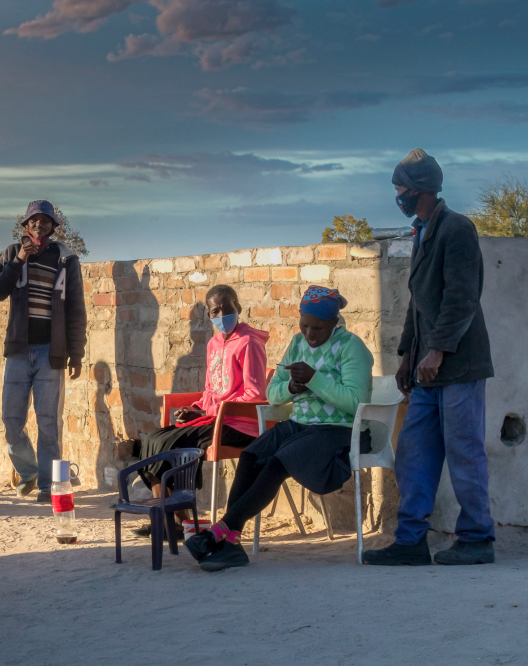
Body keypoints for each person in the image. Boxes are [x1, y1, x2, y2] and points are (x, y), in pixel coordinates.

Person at [363, 149, 497, 567]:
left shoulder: (457, 228)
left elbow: (462, 298)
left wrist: (436, 350)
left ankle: (477, 538)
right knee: (414, 453)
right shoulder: (422, 231)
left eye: (400, 189)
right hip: (425, 369)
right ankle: (410, 541)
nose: (397, 196)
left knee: (464, 452)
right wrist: (407, 354)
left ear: (419, 190)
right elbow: (416, 305)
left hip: (457, 364)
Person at [185, 286, 370, 573]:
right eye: (304, 325)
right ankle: (231, 543)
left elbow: (357, 401)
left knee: (277, 463)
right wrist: (291, 387)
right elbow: (272, 394)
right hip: (301, 425)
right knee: (251, 455)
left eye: (318, 328)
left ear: (335, 324)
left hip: (338, 430)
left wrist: (314, 380)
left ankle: (220, 532)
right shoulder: (297, 343)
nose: (309, 334)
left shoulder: (350, 347)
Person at [122, 285, 267, 536]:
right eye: (215, 311)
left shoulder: (249, 342)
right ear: (209, 316)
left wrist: (210, 413)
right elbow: (211, 390)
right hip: (212, 419)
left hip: (239, 424)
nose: (221, 315)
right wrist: (197, 409)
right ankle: (174, 520)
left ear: (238, 308)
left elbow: (254, 395)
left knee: (170, 446)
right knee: (154, 441)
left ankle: (177, 522)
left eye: (226, 308)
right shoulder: (213, 344)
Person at [0, 199, 86, 501]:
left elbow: (75, 309)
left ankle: (47, 486)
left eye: (45, 221)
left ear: (53, 227)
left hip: (50, 353)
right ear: (25, 226)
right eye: (33, 221)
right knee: (11, 420)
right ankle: (28, 472)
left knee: (48, 423)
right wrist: (18, 261)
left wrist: (76, 353)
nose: (39, 225)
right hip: (18, 350)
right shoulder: (11, 253)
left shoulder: (66, 259)